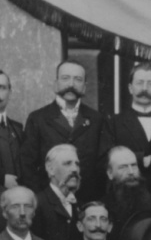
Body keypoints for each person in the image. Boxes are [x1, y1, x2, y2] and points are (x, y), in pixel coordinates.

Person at [101, 60, 151, 205]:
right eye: (139, 83)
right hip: (126, 201)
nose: (145, 88)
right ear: (130, 88)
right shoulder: (114, 122)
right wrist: (141, 159)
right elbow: (107, 161)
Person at [19, 60, 102, 201]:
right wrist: (43, 199)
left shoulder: (96, 119)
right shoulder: (38, 118)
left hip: (87, 202)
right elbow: (27, 166)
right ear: (55, 84)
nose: (71, 84)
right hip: (49, 202)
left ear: (85, 87)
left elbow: (101, 164)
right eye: (65, 78)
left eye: (78, 79)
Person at [102, 144, 151, 240]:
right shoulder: (102, 207)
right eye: (123, 167)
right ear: (110, 173)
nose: (131, 172)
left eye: (133, 165)